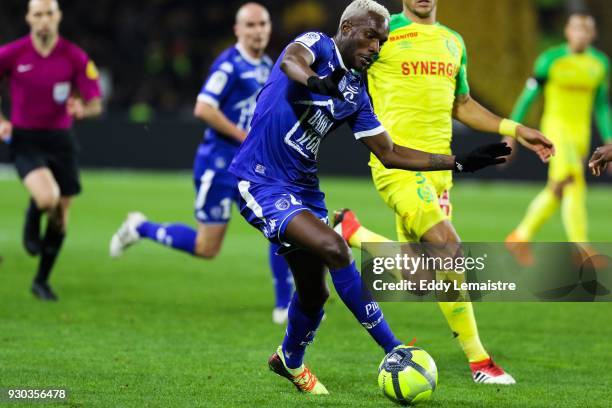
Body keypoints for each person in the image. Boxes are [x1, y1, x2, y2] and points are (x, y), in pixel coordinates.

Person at [229, 0, 512, 394]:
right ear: (346, 28)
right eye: (369, 37)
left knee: (314, 294)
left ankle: (289, 360)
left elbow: (391, 152)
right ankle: (395, 349)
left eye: (381, 42)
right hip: (260, 181)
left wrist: (460, 162)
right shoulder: (318, 46)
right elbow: (291, 61)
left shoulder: (357, 94)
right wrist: (315, 82)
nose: (375, 48)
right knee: (336, 248)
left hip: (304, 189)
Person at [332, 0, 554, 385]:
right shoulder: (382, 33)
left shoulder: (453, 41)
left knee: (422, 279)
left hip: (439, 172)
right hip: (398, 165)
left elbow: (462, 105)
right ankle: (481, 362)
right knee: (450, 250)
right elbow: (342, 65)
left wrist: (516, 129)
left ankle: (352, 232)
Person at [109, 3, 294, 324]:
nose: (258, 30)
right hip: (219, 165)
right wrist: (243, 135)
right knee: (207, 248)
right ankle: (140, 227)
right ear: (238, 30)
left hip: (252, 168)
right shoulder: (229, 65)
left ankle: (284, 304)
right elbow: (203, 107)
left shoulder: (268, 66)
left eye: (262, 24)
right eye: (250, 25)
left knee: (277, 227)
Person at [0, 0, 103, 300]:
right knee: (48, 198)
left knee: (60, 216)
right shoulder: (12, 53)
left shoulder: (74, 56)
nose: (44, 20)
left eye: (49, 14)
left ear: (58, 17)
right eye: (38, 14)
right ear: (29, 18)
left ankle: (41, 280)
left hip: (61, 141)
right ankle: (33, 213)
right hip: (26, 140)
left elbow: (95, 102)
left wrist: (83, 108)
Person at [505, 12, 611, 257]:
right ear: (567, 32)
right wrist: (511, 132)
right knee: (574, 182)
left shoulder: (600, 64)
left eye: (586, 30)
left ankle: (519, 237)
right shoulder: (550, 60)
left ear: (592, 35)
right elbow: (527, 97)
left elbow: (602, 105)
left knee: (559, 187)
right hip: (556, 130)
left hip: (580, 136)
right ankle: (581, 248)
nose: (581, 34)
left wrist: (609, 139)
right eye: (577, 29)